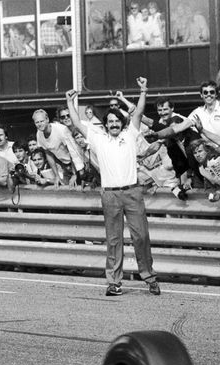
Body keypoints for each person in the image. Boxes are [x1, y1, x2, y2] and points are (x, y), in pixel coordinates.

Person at [65, 77, 161, 296]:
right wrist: (71, 103)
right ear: (106, 125)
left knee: (141, 237)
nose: (114, 125)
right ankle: (114, 283)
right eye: (110, 122)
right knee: (114, 240)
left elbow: (137, 113)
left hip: (132, 192)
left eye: (117, 121)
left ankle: (149, 277)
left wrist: (143, 90)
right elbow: (77, 124)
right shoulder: (98, 139)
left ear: (122, 123)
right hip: (110, 195)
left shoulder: (130, 135)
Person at [32, 108, 84, 187]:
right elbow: (48, 154)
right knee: (66, 187)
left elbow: (72, 152)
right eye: (37, 122)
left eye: (42, 121)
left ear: (47, 119)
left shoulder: (61, 130)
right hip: (64, 165)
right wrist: (57, 176)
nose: (40, 124)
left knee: (82, 186)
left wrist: (75, 173)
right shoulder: (39, 134)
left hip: (78, 161)